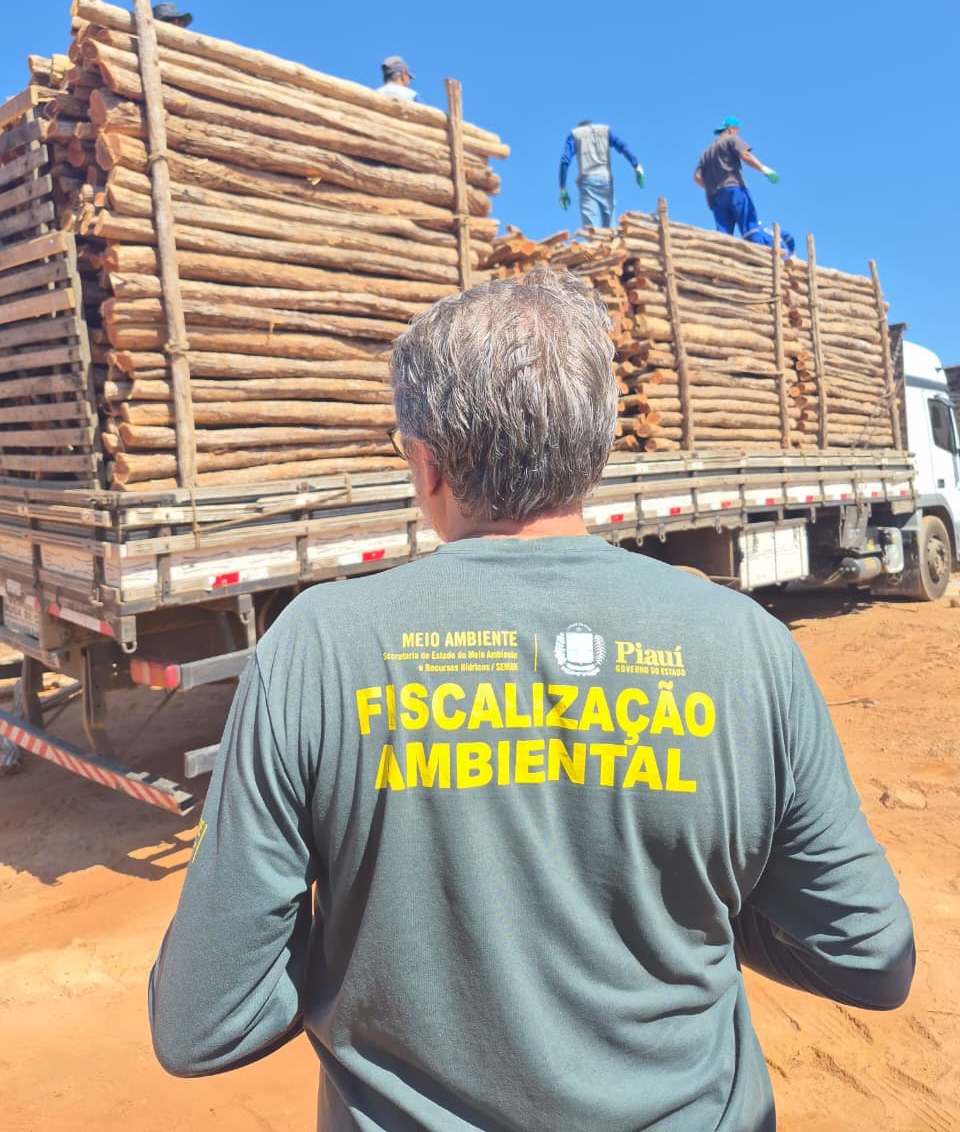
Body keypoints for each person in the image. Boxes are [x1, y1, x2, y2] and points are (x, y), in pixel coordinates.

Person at [149, 270, 914, 1132]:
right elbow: (872, 958)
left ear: (428, 462)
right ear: (596, 451)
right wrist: (709, 915)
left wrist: (358, 957)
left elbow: (201, 1022)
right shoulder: (747, 649)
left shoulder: (317, 650)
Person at [695, 116, 779, 241]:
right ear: (730, 129)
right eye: (737, 130)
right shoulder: (732, 139)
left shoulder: (706, 152)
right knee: (749, 227)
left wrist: (712, 185)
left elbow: (697, 177)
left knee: (723, 234)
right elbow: (745, 155)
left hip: (716, 197)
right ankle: (756, 259)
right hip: (734, 189)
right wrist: (764, 169)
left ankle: (722, 258)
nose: (737, 133)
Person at [559, 120, 644, 228]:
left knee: (591, 227)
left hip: (587, 182)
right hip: (606, 181)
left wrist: (562, 188)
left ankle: (596, 241)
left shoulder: (575, 134)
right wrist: (636, 165)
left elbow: (565, 161)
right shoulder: (605, 131)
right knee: (610, 226)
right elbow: (622, 146)